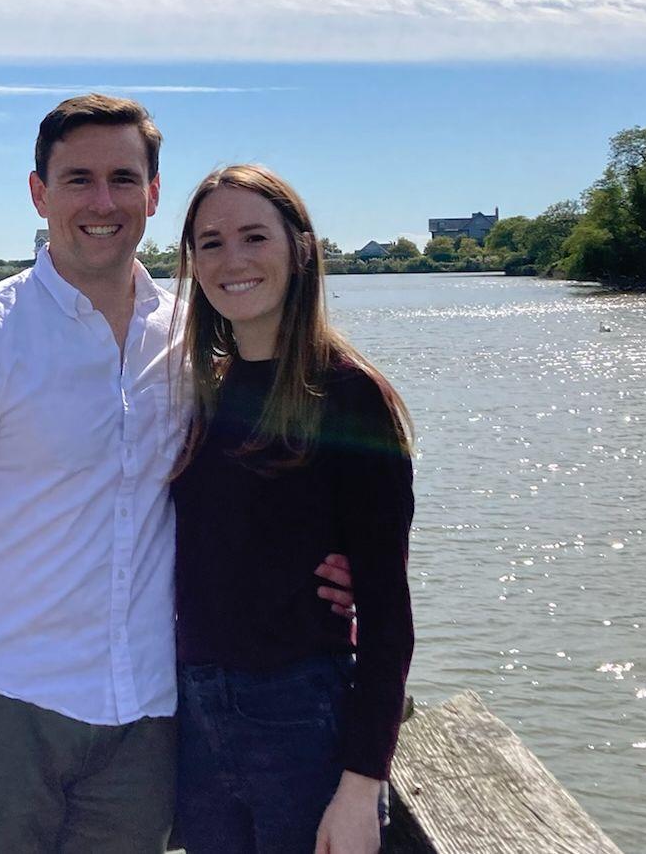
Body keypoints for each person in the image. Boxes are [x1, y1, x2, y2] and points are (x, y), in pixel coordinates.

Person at [0, 97, 354, 854]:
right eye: (79, 180)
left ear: (153, 195)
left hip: (148, 722)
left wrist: (330, 564)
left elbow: (246, 481)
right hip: (6, 711)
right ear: (39, 193)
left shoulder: (193, 337)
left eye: (124, 179)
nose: (103, 203)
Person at [169, 165, 416, 854]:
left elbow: (389, 613)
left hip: (300, 718)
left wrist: (362, 782)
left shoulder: (348, 396)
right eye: (211, 243)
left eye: (255, 236)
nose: (233, 260)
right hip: (194, 721)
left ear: (301, 248)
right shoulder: (200, 393)